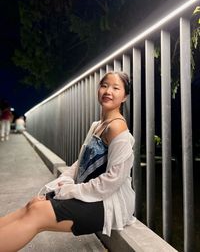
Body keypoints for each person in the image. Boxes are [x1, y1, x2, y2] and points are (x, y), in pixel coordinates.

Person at [0, 71, 135, 252]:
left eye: (116, 88)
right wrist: (63, 182)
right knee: (34, 204)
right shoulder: (97, 125)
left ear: (124, 97)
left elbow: (112, 181)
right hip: (90, 193)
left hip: (107, 203)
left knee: (38, 213)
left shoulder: (118, 128)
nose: (108, 91)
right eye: (104, 85)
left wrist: (71, 190)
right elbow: (80, 163)